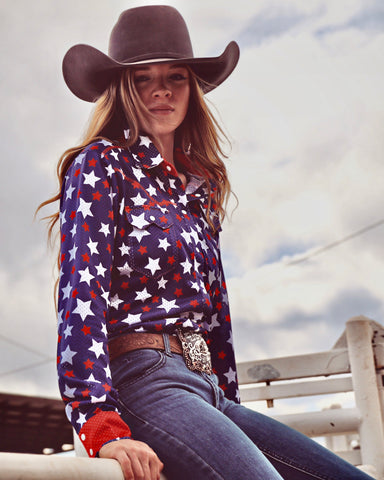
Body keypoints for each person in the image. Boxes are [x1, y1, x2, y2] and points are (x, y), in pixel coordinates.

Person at [40, 5, 375, 480]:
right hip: (143, 380)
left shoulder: (198, 189)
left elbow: (216, 312)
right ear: (122, 90)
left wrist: (226, 410)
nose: (161, 90)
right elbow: (81, 293)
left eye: (175, 76)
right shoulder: (100, 165)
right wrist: (99, 422)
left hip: (206, 389)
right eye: (142, 79)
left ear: (192, 88)